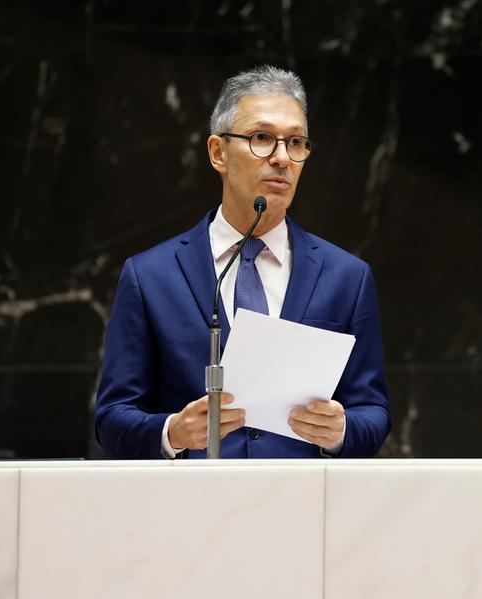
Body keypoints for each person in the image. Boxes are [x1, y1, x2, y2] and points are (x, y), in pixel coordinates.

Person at [94, 65, 391, 459]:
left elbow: (373, 412)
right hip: (192, 509)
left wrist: (340, 431)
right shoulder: (150, 276)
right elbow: (113, 419)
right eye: (262, 138)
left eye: (296, 142)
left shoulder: (346, 277)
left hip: (302, 507)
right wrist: (174, 432)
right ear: (218, 152)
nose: (282, 158)